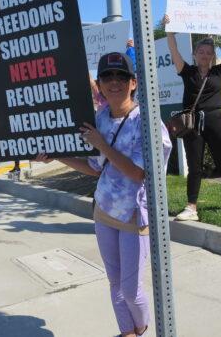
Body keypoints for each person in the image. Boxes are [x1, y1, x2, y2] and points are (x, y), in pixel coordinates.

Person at [37, 52, 171, 337]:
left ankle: (142, 330)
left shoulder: (146, 121)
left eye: (120, 77)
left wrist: (102, 144)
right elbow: (95, 168)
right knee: (115, 284)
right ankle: (127, 332)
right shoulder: (99, 118)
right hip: (104, 210)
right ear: (98, 84)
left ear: (133, 83)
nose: (114, 82)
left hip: (134, 215)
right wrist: (58, 156)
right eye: (107, 77)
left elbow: (139, 173)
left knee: (131, 289)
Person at [164, 14, 221, 221]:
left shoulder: (219, 71)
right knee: (194, 165)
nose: (205, 56)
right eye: (201, 52)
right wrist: (169, 30)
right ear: (195, 54)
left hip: (215, 120)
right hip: (192, 124)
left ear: (213, 56)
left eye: (208, 53)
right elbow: (174, 50)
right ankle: (191, 207)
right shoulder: (186, 71)